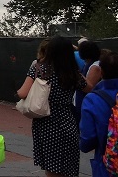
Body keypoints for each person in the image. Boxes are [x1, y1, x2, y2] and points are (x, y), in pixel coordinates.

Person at [16, 35, 88, 177]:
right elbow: (89, 88)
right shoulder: (72, 72)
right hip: (68, 121)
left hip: (46, 123)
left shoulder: (40, 68)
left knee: (52, 168)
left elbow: (22, 93)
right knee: (69, 167)